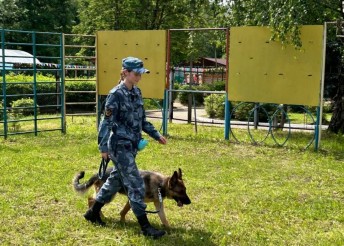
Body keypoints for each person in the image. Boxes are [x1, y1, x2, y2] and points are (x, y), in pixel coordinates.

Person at [84, 57, 167, 239]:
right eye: (136, 73)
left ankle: (92, 212)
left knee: (115, 181)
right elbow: (106, 123)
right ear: (126, 72)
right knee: (136, 184)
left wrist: (156, 135)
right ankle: (146, 227)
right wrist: (103, 147)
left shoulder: (136, 92)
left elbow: (142, 120)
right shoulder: (115, 95)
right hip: (118, 146)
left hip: (131, 146)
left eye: (141, 74)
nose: (139, 77)